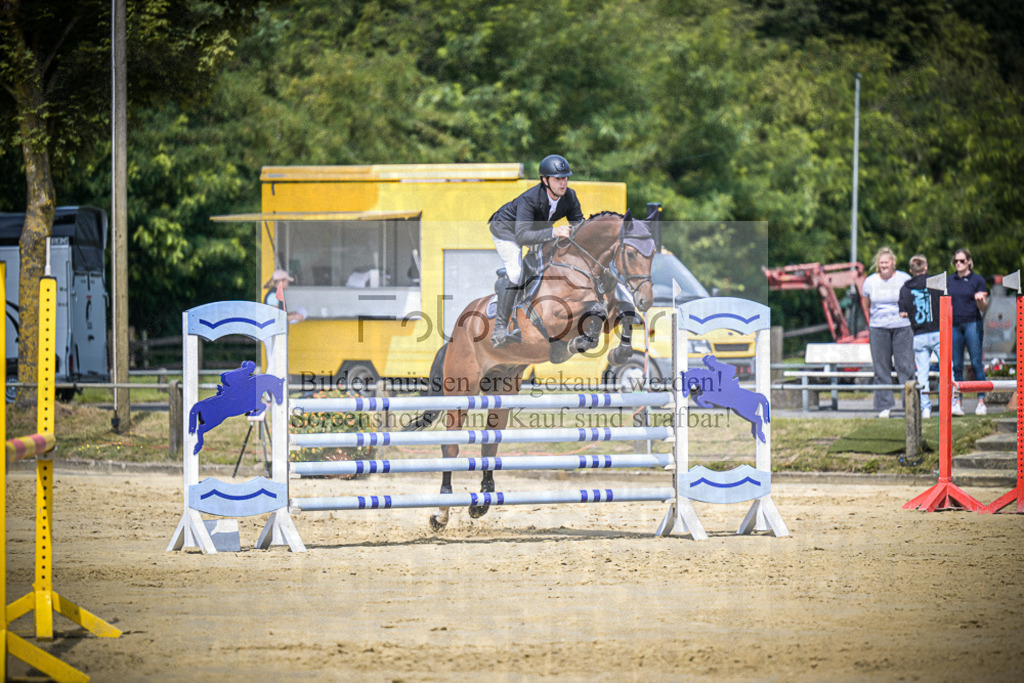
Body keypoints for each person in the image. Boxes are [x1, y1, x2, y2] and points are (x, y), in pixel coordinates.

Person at [487, 154, 584, 348]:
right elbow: (522, 236)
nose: (563, 183)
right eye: (558, 179)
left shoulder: (569, 197)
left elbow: (579, 224)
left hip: (533, 231)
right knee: (515, 274)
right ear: (545, 180)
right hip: (506, 230)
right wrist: (554, 231)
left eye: (565, 178)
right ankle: (499, 328)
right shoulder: (530, 199)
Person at [862, 247, 914, 418]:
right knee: (881, 368)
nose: (884, 264)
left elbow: (912, 299)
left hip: (902, 327)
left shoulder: (904, 278)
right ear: (878, 264)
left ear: (893, 263)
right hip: (878, 327)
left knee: (905, 366)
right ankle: (884, 406)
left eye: (887, 261)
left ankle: (910, 404)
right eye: (881, 262)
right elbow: (866, 303)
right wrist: (871, 321)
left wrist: (908, 312)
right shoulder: (870, 281)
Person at [898, 255, 941, 419]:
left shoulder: (905, 288)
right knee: (947, 369)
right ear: (926, 267)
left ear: (911, 271)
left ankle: (925, 409)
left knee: (922, 373)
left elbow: (903, 313)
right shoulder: (935, 283)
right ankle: (950, 404)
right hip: (937, 331)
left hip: (919, 334)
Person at [947, 248, 989, 416]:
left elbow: (984, 307)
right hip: (954, 324)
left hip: (972, 322)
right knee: (956, 365)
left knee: (976, 363)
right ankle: (958, 403)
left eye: (962, 261)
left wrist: (980, 301)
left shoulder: (977, 280)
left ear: (969, 262)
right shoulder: (950, 280)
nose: (958, 264)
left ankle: (981, 402)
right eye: (956, 261)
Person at [263, 269, 306, 362]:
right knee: (275, 363)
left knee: (276, 363)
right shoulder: (274, 295)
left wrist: (291, 314)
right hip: (273, 334)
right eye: (287, 281)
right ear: (280, 281)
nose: (288, 284)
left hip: (275, 333)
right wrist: (294, 317)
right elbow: (274, 318)